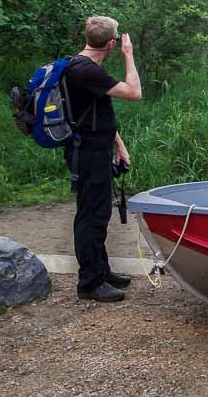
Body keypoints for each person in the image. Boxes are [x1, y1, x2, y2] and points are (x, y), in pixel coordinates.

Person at [63, 16, 142, 302]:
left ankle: (101, 270)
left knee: (98, 213)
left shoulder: (83, 67)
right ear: (110, 44)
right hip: (87, 153)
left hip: (96, 149)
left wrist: (118, 144)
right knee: (90, 217)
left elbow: (99, 111)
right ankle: (89, 283)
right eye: (117, 41)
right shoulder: (85, 71)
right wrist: (129, 55)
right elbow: (134, 92)